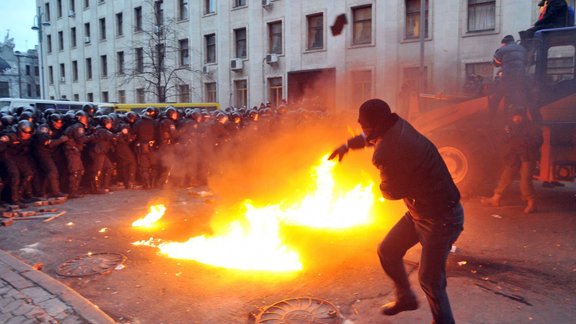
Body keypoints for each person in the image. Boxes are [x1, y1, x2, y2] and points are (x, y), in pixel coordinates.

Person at [328, 99, 464, 323]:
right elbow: (368, 137)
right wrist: (347, 145)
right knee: (388, 250)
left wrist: (381, 184)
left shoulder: (388, 149)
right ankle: (406, 298)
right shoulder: (396, 125)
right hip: (420, 211)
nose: (363, 130)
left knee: (430, 279)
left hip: (442, 218)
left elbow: (392, 193)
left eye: (365, 126)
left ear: (379, 124)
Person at [481, 108, 542, 214]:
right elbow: (505, 139)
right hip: (515, 156)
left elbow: (538, 140)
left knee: (525, 181)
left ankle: (532, 204)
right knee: (506, 176)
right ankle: (495, 199)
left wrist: (522, 142)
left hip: (528, 156)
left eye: (519, 116)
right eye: (514, 116)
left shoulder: (532, 127)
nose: (516, 118)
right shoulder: (510, 126)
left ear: (523, 116)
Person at [489, 35, 535, 119]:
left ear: (504, 43)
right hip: (521, 78)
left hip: (508, 78)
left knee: (495, 99)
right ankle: (529, 115)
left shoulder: (502, 49)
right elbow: (527, 62)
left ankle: (490, 119)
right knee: (526, 96)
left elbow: (496, 63)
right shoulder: (522, 49)